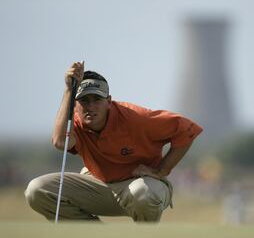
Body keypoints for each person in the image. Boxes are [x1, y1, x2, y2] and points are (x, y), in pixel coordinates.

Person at [24, 61, 202, 222]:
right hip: (97, 184)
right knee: (36, 190)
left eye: (97, 100)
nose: (90, 106)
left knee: (144, 194)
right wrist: (69, 90)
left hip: (139, 185)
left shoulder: (136, 118)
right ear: (75, 104)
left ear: (109, 101)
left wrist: (161, 170)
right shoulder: (75, 122)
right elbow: (61, 142)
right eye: (84, 101)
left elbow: (187, 129)